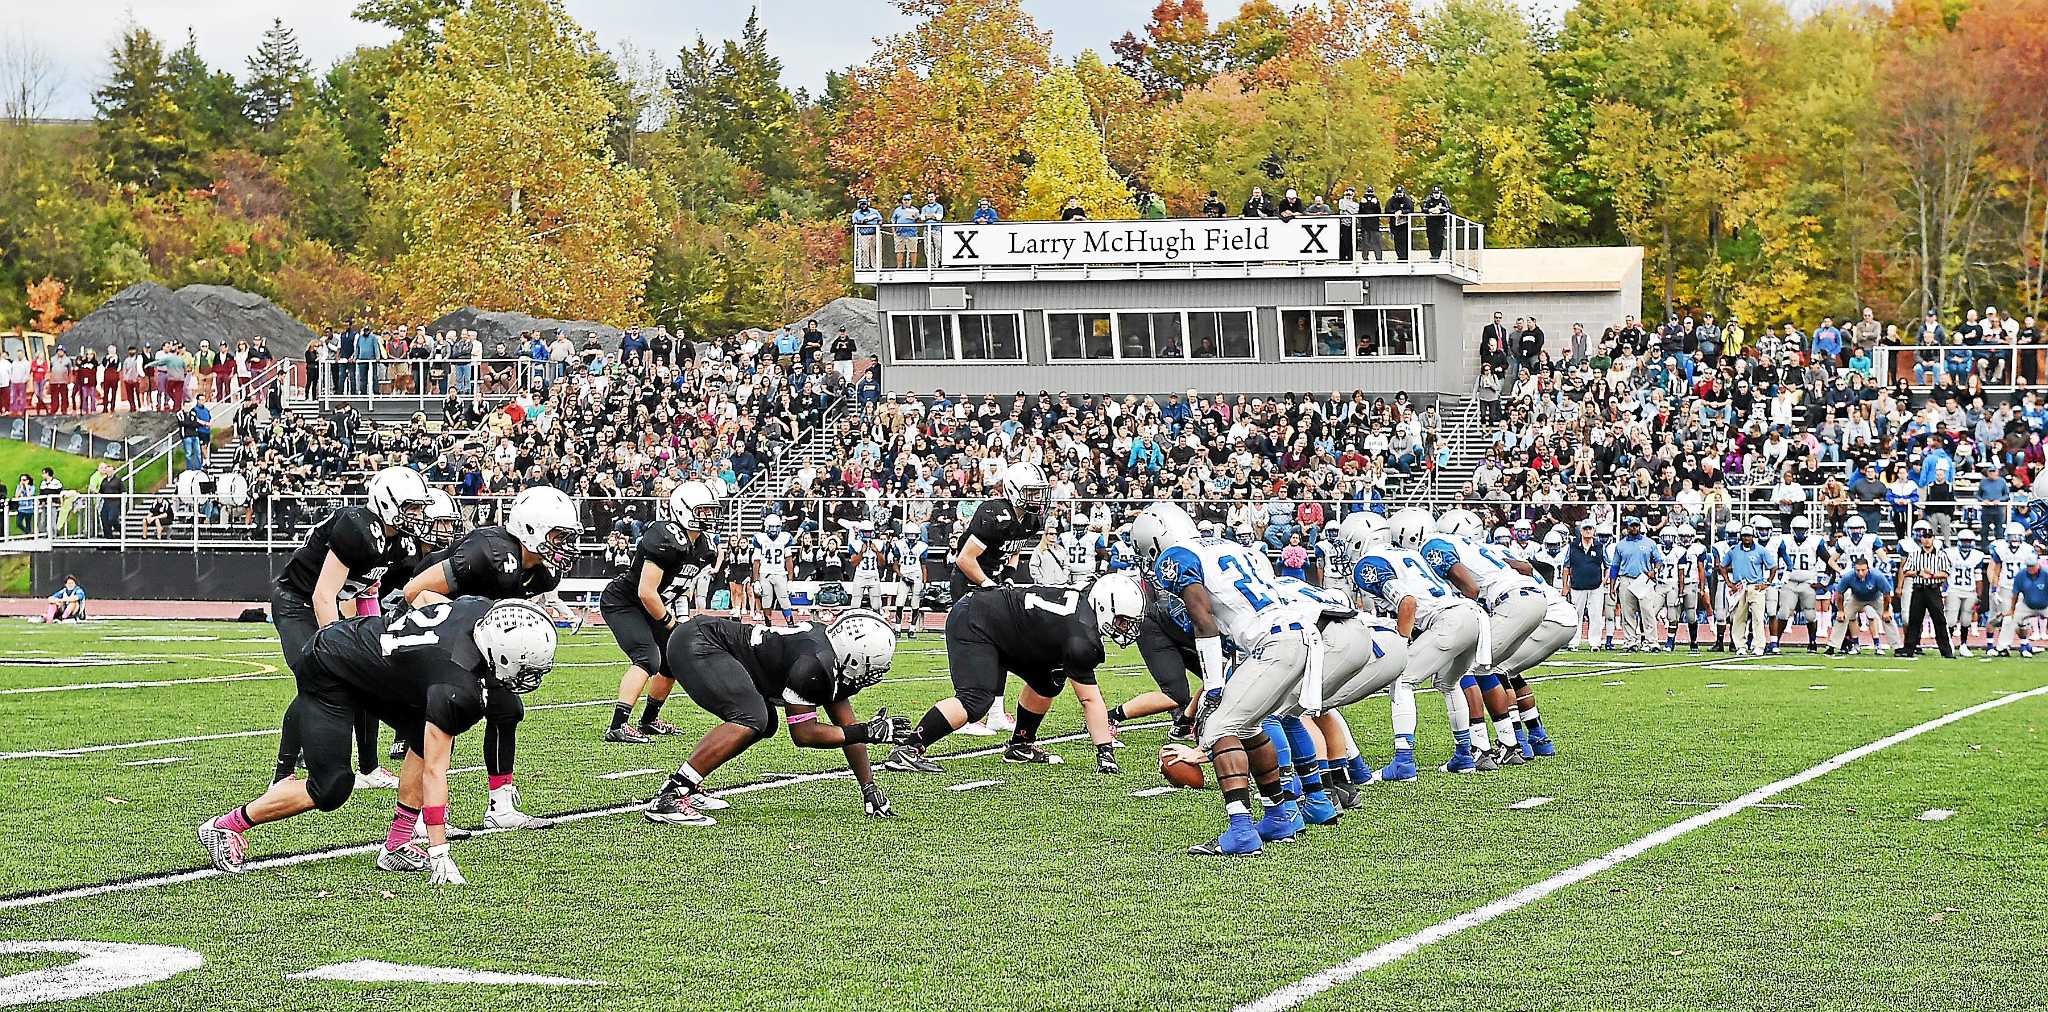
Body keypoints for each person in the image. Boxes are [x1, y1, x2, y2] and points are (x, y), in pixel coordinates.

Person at [196, 597, 557, 882]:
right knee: (332, 787)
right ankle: (226, 826)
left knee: (421, 733)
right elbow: (435, 771)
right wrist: (439, 852)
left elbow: (427, 598)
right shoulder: (455, 686)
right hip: (331, 666)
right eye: (526, 666)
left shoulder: (479, 611)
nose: (530, 677)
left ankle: (397, 843)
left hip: (378, 665)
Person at [400, 485, 584, 830]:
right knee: (444, 720)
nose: (565, 546)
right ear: (531, 529)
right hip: (431, 630)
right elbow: (415, 593)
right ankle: (424, 817)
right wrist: (461, 629)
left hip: (477, 640)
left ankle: (501, 807)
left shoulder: (542, 571)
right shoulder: (487, 552)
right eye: (559, 536)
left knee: (506, 709)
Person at [643, 611, 907, 826]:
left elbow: (849, 727)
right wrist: (868, 732)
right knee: (752, 718)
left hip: (706, 640)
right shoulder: (813, 665)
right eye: (874, 665)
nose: (878, 673)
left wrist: (868, 787)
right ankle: (672, 793)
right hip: (700, 643)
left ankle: (689, 786)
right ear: (854, 658)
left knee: (765, 722)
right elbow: (804, 734)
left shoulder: (832, 657)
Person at [269, 466, 430, 790]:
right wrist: (337, 648)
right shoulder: (356, 527)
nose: (415, 515)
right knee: (317, 677)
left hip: (333, 602)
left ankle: (369, 769)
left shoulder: (402, 544)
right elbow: (322, 593)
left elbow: (395, 590)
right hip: (297, 601)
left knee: (365, 677)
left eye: (418, 507)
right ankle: (283, 776)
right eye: (409, 506)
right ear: (386, 503)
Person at [880, 580, 1126, 777]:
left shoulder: (1084, 610)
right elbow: (1090, 700)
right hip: (976, 621)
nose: (1125, 628)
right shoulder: (1082, 637)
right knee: (976, 699)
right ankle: (908, 749)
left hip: (1008, 631)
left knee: (1049, 681)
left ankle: (1020, 746)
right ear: (1105, 607)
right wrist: (1105, 752)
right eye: (1122, 621)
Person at [598, 482, 720, 744]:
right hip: (625, 602)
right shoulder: (665, 537)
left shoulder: (704, 548)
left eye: (711, 511)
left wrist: (682, 622)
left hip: (653, 605)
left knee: (672, 659)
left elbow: (682, 590)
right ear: (683, 509)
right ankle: (618, 726)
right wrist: (669, 622)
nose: (709, 516)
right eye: (704, 510)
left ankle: (649, 720)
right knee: (647, 657)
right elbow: (646, 592)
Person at [944, 461, 1052, 734]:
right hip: (970, 580)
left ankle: (995, 714)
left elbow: (1014, 550)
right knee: (975, 650)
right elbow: (964, 559)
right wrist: (988, 584)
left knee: (1001, 648)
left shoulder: (1032, 518)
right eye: (1032, 492)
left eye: (1040, 492)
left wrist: (1010, 577)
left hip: (991, 581)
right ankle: (966, 717)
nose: (1038, 499)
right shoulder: (993, 513)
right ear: (1014, 490)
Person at [1768, 515, 1828, 654]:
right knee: (1783, 612)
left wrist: (1824, 582)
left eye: (1802, 529)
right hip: (1790, 582)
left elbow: (1828, 560)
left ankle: (1812, 643)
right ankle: (1775, 642)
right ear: (1792, 529)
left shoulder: (1815, 541)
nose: (1800, 532)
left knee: (1810, 614)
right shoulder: (1784, 541)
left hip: (1808, 582)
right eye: (1797, 529)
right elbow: (1773, 558)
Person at [1896, 521, 1954, 659]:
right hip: (1919, 589)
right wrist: (1919, 572)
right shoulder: (1915, 554)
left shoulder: (1941, 555)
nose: (1927, 540)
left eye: (1929, 537)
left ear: (1933, 538)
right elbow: (1906, 571)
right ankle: (1909, 649)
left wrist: (1932, 574)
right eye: (1924, 537)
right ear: (1921, 539)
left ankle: (1946, 651)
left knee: (1939, 620)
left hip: (1933, 589)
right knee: (1914, 620)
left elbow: (1946, 573)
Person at [1719, 523, 1777, 656]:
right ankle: (1740, 646)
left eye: (1749, 536)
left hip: (1755, 586)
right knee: (1739, 618)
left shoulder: (1761, 550)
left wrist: (1766, 583)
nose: (1746, 539)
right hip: (1740, 586)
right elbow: (1722, 566)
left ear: (1753, 537)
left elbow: (1773, 567)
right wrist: (1729, 582)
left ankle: (1759, 646)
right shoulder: (1734, 550)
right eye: (1744, 536)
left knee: (1758, 617)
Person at [1824, 557, 1896, 656]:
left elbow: (1887, 594)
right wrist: (1840, 611)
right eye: (1858, 570)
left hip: (1875, 598)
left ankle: (1897, 647)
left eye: (1863, 570)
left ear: (1868, 569)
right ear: (1854, 569)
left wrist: (1886, 611)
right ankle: (1832, 646)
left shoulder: (1877, 576)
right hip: (1856, 598)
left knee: (1888, 618)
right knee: (1842, 617)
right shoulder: (1848, 576)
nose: (1861, 573)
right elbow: (1839, 593)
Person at [1943, 528, 1989, 658]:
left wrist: (1979, 595)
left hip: (1969, 590)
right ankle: (1949, 643)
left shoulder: (1977, 555)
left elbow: (1978, 576)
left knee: (1966, 620)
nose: (1966, 544)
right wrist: (1944, 590)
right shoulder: (1950, 553)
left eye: (1968, 541)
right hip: (1954, 589)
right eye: (1964, 541)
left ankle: (1963, 644)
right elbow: (1945, 573)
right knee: (1951, 620)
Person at [1992, 557, 2048, 657]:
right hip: (2027, 605)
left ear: (2038, 565)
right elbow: (2015, 594)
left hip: (2045, 604)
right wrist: (2012, 609)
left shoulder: (2045, 574)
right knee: (2008, 619)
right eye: (2029, 567)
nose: (2031, 569)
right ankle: (2002, 648)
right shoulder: (2021, 575)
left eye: (2033, 566)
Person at [752, 513, 798, 627]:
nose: (773, 530)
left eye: (775, 527)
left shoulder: (785, 537)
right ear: (766, 526)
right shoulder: (760, 538)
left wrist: (791, 579)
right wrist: (756, 580)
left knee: (784, 600)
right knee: (766, 600)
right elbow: (756, 561)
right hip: (765, 573)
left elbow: (788, 559)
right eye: (771, 527)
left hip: (780, 573)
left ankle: (790, 623)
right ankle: (768, 623)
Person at [1384, 184, 1415, 260]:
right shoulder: (1391, 200)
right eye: (1397, 192)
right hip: (1395, 225)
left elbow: (1411, 210)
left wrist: (1402, 212)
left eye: (1400, 192)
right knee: (1397, 241)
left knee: (1406, 240)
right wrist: (1394, 213)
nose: (1399, 194)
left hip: (1405, 225)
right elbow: (1387, 210)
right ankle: (1400, 256)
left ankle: (1406, 257)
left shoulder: (1407, 200)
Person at [1421, 185, 1451, 259]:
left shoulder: (1444, 199)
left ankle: (1437, 254)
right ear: (1432, 193)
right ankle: (1433, 254)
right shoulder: (1428, 199)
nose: (1436, 195)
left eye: (1437, 193)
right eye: (1435, 193)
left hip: (1440, 222)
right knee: (1431, 238)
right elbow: (1423, 208)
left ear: (1440, 193)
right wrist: (1430, 210)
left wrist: (1440, 210)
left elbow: (1448, 208)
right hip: (1430, 222)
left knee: (1439, 237)